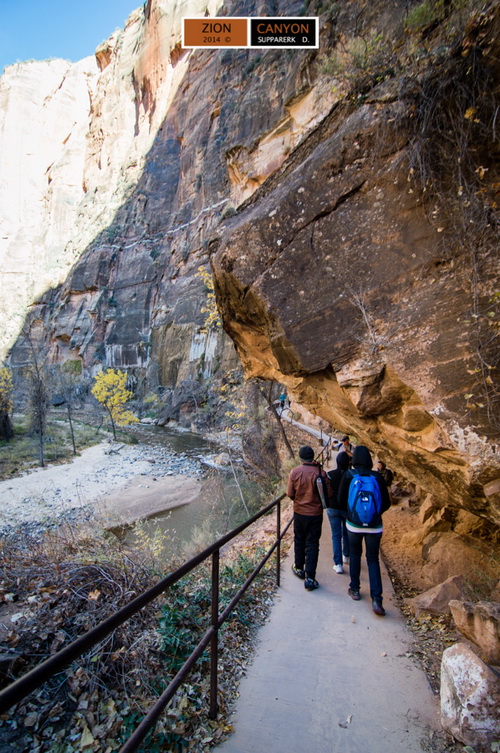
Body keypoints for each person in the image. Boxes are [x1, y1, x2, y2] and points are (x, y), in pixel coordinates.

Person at [337, 445, 391, 615]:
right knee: (373, 559)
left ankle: (354, 589)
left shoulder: (349, 475)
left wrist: (353, 514)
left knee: (354, 555)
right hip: (374, 526)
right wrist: (374, 514)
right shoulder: (377, 477)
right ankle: (377, 599)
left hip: (353, 525)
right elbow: (387, 503)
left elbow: (340, 500)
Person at [286, 445, 331, 591]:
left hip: (300, 512)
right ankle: (310, 578)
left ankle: (299, 568)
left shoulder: (295, 472)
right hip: (315, 513)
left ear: (300, 458)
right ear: (313, 457)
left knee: (299, 539)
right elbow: (328, 493)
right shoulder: (321, 472)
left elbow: (290, 493)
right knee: (312, 544)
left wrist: (299, 499)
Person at [326, 452, 350, 573]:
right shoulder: (350, 476)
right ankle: (346, 555)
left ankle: (338, 564)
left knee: (336, 535)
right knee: (346, 533)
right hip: (346, 508)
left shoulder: (330, 475)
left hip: (332, 507)